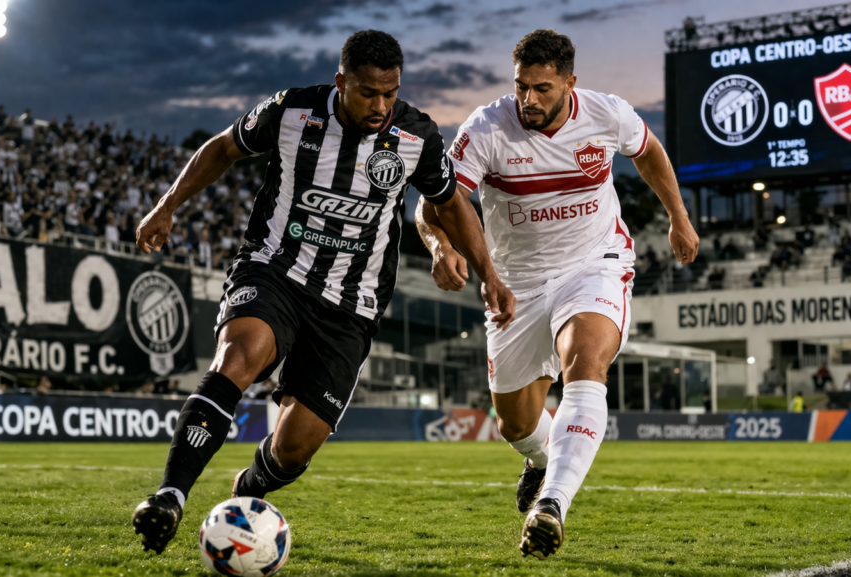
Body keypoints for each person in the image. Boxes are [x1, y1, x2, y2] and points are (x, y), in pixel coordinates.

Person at [129, 30, 514, 554]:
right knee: (238, 357)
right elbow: (223, 148)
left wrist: (487, 272)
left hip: (352, 302)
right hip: (275, 270)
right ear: (341, 83)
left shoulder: (417, 135)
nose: (380, 106)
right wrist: (167, 205)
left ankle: (249, 487)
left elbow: (449, 204)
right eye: (368, 93)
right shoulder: (292, 111)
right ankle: (169, 497)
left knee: (294, 449)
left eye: (390, 93)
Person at [415, 29, 698, 559]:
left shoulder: (606, 113)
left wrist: (677, 217)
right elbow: (434, 204)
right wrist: (438, 246)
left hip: (593, 263)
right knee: (516, 424)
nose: (529, 99)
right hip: (514, 283)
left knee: (585, 361)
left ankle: (552, 505)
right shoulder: (486, 128)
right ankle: (541, 459)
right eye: (521, 86)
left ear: (570, 82)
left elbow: (649, 151)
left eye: (542, 88)